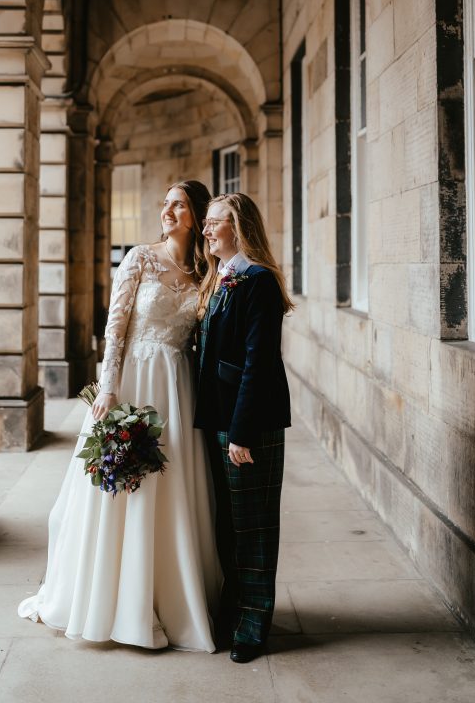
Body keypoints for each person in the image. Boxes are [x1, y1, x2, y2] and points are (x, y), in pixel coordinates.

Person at [19, 180, 220, 652]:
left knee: (173, 489)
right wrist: (108, 388)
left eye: (179, 204)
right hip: (133, 381)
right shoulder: (138, 258)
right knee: (126, 484)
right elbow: (116, 326)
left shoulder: (203, 272)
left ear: (196, 216)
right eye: (165, 202)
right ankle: (116, 601)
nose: (167, 210)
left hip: (179, 387)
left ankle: (170, 594)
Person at [194, 192, 293, 663]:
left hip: (248, 426)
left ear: (238, 226)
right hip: (218, 423)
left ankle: (254, 625)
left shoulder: (259, 281)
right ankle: (233, 612)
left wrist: (241, 433)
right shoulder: (221, 278)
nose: (206, 230)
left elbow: (258, 364)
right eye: (208, 223)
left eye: (215, 222)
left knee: (253, 528)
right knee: (227, 528)